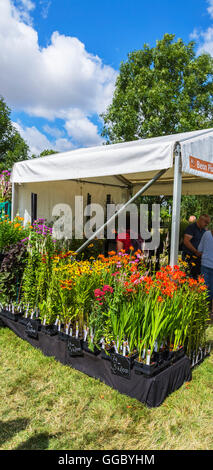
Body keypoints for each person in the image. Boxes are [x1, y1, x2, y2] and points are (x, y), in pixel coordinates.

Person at [182, 214, 210, 279]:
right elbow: (186, 241)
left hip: (199, 258)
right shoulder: (191, 228)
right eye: (205, 222)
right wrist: (196, 251)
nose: (206, 224)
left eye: (208, 223)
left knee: (198, 277)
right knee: (189, 277)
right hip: (189, 256)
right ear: (200, 220)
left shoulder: (204, 230)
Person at [198, 223, 213, 315]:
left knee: (204, 288)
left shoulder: (206, 234)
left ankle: (203, 312)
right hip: (206, 264)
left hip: (206, 264)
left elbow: (200, 249)